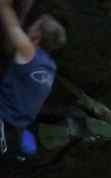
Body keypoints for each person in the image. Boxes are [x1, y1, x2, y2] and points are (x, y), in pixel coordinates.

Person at [0, 0, 65, 157]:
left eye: (33, 26)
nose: (29, 28)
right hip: (16, 133)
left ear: (36, 35)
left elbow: (13, 26)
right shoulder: (50, 68)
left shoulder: (29, 52)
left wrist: (5, 5)